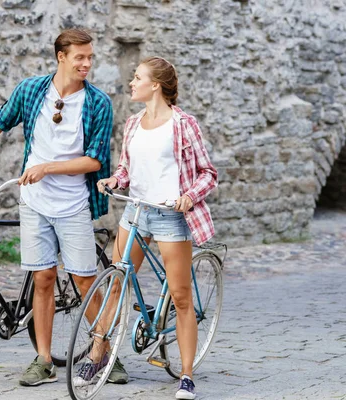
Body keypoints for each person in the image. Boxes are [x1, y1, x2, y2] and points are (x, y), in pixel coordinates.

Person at [0, 29, 123, 387]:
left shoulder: (98, 103)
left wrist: (47, 167)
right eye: (80, 57)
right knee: (43, 279)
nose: (87, 63)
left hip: (74, 203)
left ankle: (106, 349)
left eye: (90, 57)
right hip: (35, 203)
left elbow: (95, 161)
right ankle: (43, 360)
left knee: (85, 280)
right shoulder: (31, 90)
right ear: (61, 57)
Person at [94, 57, 218, 399]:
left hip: (170, 216)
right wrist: (113, 180)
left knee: (181, 297)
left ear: (156, 86)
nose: (131, 83)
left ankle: (187, 376)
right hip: (135, 211)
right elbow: (126, 170)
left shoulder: (183, 124)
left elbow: (208, 173)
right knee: (117, 281)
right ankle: (96, 353)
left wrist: (189, 197)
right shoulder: (132, 123)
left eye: (137, 78)